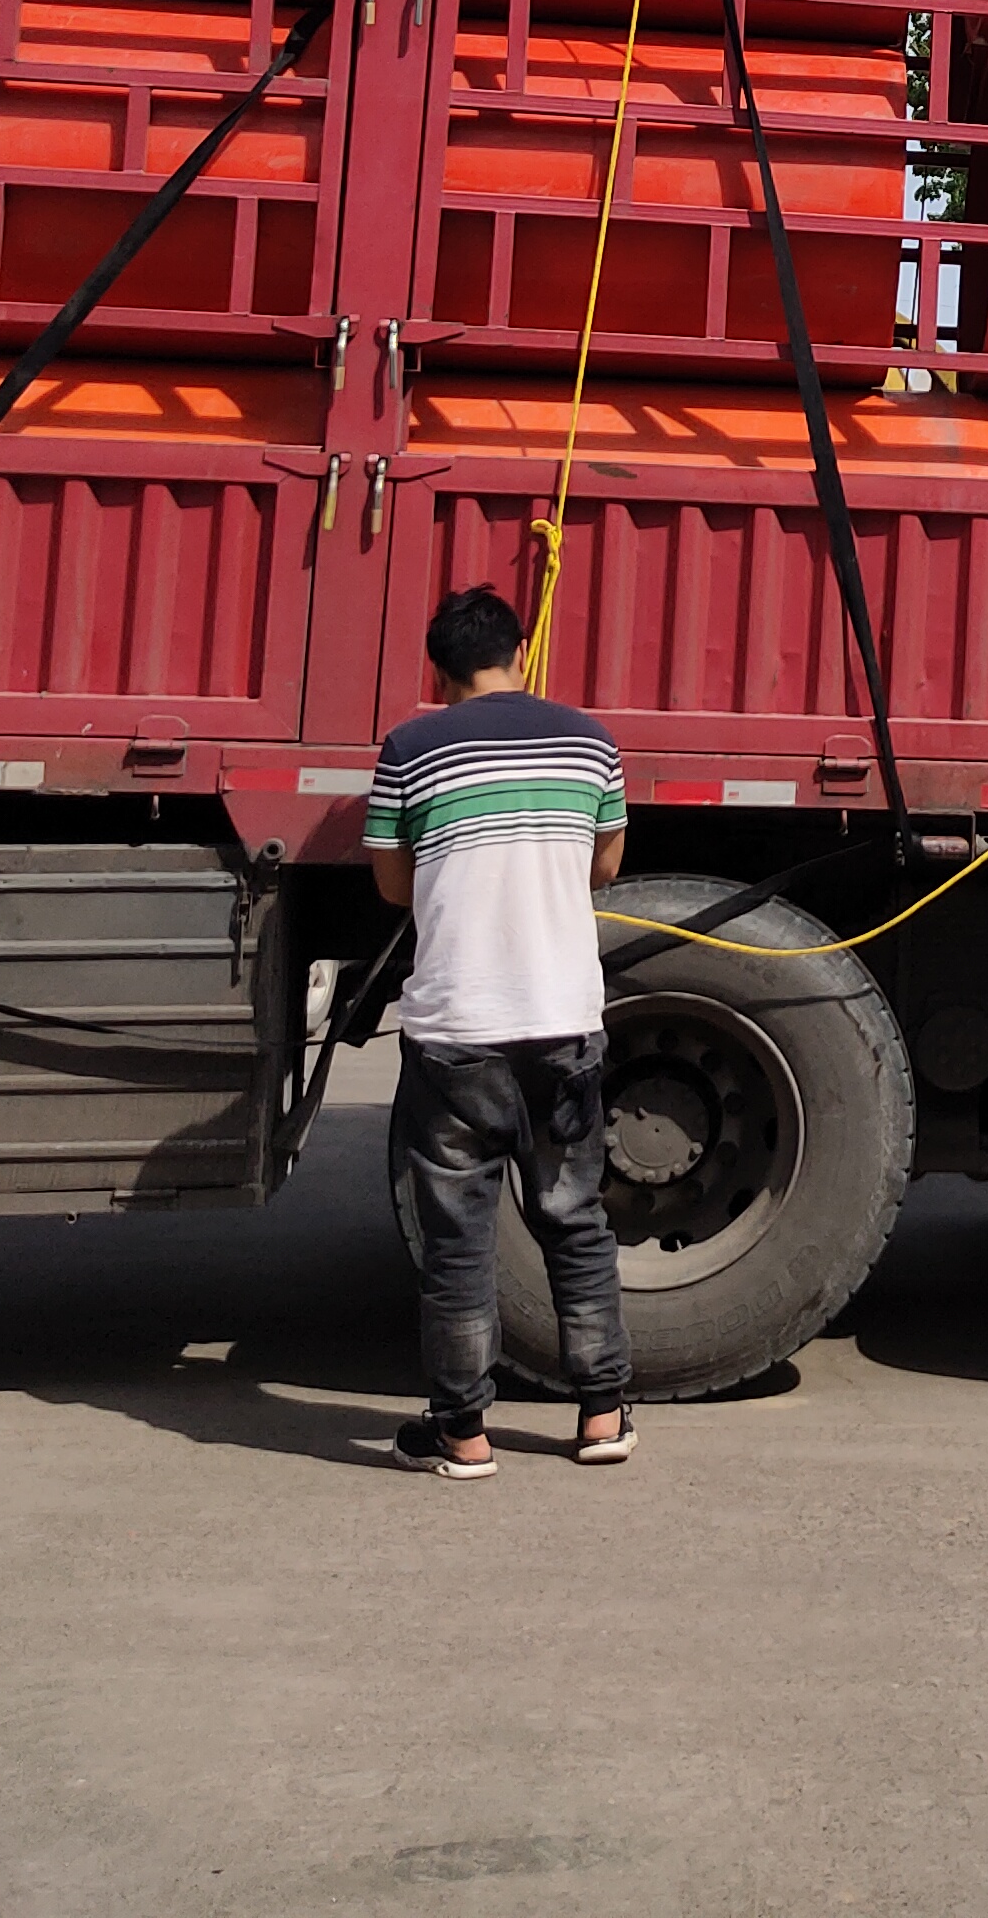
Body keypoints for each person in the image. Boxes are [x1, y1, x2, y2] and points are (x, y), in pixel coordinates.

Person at [368, 585, 634, 1477]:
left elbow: (393, 886)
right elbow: (605, 863)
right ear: (521, 652)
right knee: (574, 1220)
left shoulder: (409, 749)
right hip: (564, 1020)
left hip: (456, 1029)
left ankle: (463, 1435)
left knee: (459, 1240)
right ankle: (602, 1416)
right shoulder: (590, 743)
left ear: (438, 672)